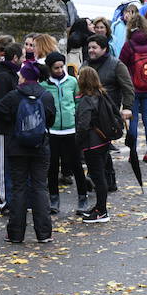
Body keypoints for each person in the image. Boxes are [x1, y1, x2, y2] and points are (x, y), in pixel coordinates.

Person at [0, 61, 57, 243]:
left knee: (19, 188)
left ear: (24, 76)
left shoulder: (14, 96)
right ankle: (44, 233)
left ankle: (15, 233)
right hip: (40, 147)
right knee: (40, 187)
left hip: (17, 148)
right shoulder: (46, 95)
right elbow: (51, 121)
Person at [82, 34, 135, 192]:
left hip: (107, 112)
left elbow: (128, 87)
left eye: (94, 47)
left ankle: (103, 179)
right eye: (89, 47)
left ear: (104, 49)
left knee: (101, 145)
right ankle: (103, 180)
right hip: (89, 112)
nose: (91, 50)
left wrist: (127, 107)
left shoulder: (116, 65)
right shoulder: (85, 64)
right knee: (97, 146)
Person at [41, 52, 89, 214]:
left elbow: (77, 101)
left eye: (62, 66)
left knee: (76, 166)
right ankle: (54, 199)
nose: (60, 70)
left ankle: (83, 198)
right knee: (52, 167)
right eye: (56, 68)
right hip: (53, 131)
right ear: (49, 68)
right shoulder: (44, 85)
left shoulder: (72, 81)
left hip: (71, 130)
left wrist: (76, 119)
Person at [75, 67, 115, 223]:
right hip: (103, 141)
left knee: (98, 177)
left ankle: (101, 211)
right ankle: (99, 206)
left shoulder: (86, 99)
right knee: (100, 176)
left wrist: (77, 142)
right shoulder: (102, 95)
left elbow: (83, 124)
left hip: (92, 144)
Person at [120, 12, 147, 162]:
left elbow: (121, 64)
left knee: (134, 121)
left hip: (133, 88)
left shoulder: (129, 45)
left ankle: (133, 153)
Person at [0, 43, 23, 212]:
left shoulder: (11, 75)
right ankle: (4, 201)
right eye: (21, 57)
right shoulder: (4, 77)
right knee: (4, 166)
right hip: (4, 127)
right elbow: (2, 104)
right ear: (15, 58)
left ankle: (12, 199)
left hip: (12, 126)